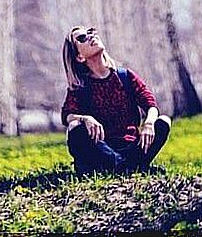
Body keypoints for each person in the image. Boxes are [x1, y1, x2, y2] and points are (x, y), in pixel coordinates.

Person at [61, 25, 171, 175]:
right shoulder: (80, 87)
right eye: (82, 38)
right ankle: (132, 167)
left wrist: (149, 123)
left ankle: (123, 167)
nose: (91, 36)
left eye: (91, 32)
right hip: (102, 150)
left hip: (131, 147)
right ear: (79, 57)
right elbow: (67, 115)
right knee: (75, 128)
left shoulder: (124, 76)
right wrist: (84, 118)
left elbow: (150, 103)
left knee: (163, 121)